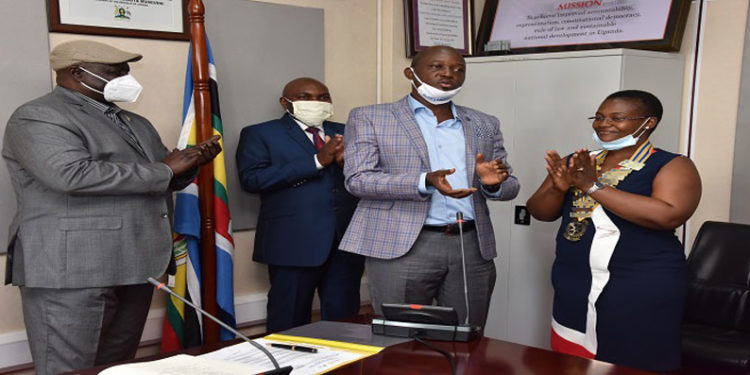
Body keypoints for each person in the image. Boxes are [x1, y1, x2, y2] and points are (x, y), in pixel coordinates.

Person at [2, 40, 222, 375]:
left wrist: (189, 163)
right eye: (114, 71)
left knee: (117, 369)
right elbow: (71, 175)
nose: (126, 77)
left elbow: (157, 177)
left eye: (126, 70)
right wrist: (166, 169)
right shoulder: (38, 116)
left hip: (135, 264)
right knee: (69, 370)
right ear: (77, 73)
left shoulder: (135, 122)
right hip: (72, 270)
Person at [340, 45, 520, 327]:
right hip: (402, 245)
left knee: (467, 334)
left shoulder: (484, 123)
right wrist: (425, 181)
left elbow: (510, 185)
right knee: (400, 338)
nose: (448, 74)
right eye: (437, 67)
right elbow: (358, 179)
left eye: (458, 69)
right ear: (410, 72)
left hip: (470, 244)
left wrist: (495, 185)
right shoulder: (370, 117)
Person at [526, 90, 702, 372]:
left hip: (638, 284)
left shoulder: (672, 164)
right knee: (571, 360)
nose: (603, 124)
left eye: (617, 118)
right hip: (574, 281)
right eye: (598, 117)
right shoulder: (581, 161)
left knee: (632, 361)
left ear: (649, 122)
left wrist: (592, 186)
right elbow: (539, 211)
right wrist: (559, 190)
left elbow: (668, 214)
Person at [236, 77, 364, 333]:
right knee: (289, 320)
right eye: (306, 97)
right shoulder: (260, 133)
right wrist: (316, 161)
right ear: (286, 102)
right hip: (292, 242)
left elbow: (368, 177)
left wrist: (346, 165)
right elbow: (253, 179)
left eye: (323, 97)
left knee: (345, 320)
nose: (316, 102)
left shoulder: (349, 130)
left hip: (345, 241)